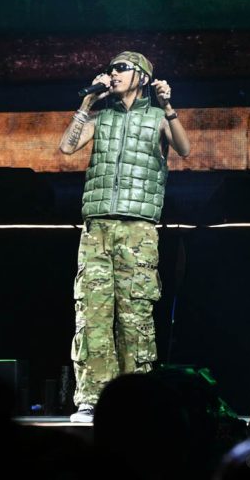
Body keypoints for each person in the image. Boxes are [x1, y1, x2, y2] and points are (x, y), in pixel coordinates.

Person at [58, 51, 191, 422]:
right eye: (110, 68)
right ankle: (92, 399)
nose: (112, 73)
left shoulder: (157, 117)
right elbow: (67, 147)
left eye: (121, 68)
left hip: (138, 229)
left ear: (142, 77)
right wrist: (87, 102)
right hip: (97, 228)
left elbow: (184, 149)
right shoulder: (101, 117)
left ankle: (139, 399)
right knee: (93, 313)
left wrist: (169, 107)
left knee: (135, 314)